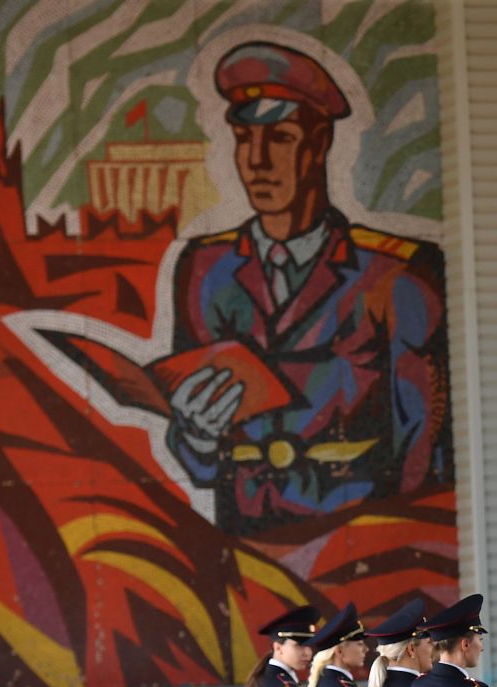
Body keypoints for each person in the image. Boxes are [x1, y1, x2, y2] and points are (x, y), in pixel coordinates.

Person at [167, 41, 450, 535]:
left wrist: (398, 549)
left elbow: (424, 445)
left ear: (319, 142)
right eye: (244, 137)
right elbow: (197, 464)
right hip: (249, 548)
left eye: (280, 137)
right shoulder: (204, 271)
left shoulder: (395, 274)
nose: (256, 161)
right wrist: (198, 437)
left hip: (358, 543)